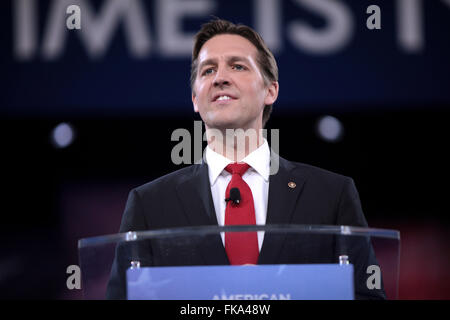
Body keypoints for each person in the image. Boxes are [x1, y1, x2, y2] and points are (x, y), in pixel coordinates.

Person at [106, 19, 384, 300]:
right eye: (208, 70)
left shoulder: (331, 195)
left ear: (270, 91)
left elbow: (366, 295)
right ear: (194, 98)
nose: (220, 78)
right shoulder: (150, 204)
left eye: (238, 66)